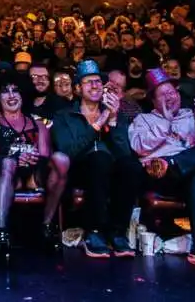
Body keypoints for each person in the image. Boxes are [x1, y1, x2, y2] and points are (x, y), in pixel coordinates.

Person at [128, 67, 195, 269]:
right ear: (153, 100)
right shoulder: (143, 119)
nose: (170, 97)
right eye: (163, 94)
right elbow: (139, 146)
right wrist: (166, 124)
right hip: (161, 175)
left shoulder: (188, 116)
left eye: (172, 92)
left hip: (188, 173)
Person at [49, 60, 137, 258]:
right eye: (89, 82)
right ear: (78, 89)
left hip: (110, 170)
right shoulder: (64, 116)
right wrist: (98, 123)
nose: (96, 85)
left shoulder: (115, 114)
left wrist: (113, 120)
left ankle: (117, 233)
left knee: (130, 166)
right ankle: (94, 231)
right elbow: (68, 150)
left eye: (98, 81)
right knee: (99, 158)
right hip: (79, 170)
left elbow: (124, 152)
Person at [0, 70, 67, 257]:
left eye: (16, 91)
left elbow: (44, 157)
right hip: (3, 172)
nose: (11, 96)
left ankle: (47, 226)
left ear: (23, 94)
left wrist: (32, 157)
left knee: (61, 159)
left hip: (34, 174)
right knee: (9, 163)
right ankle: (2, 231)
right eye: (5, 91)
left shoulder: (38, 124)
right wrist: (15, 157)